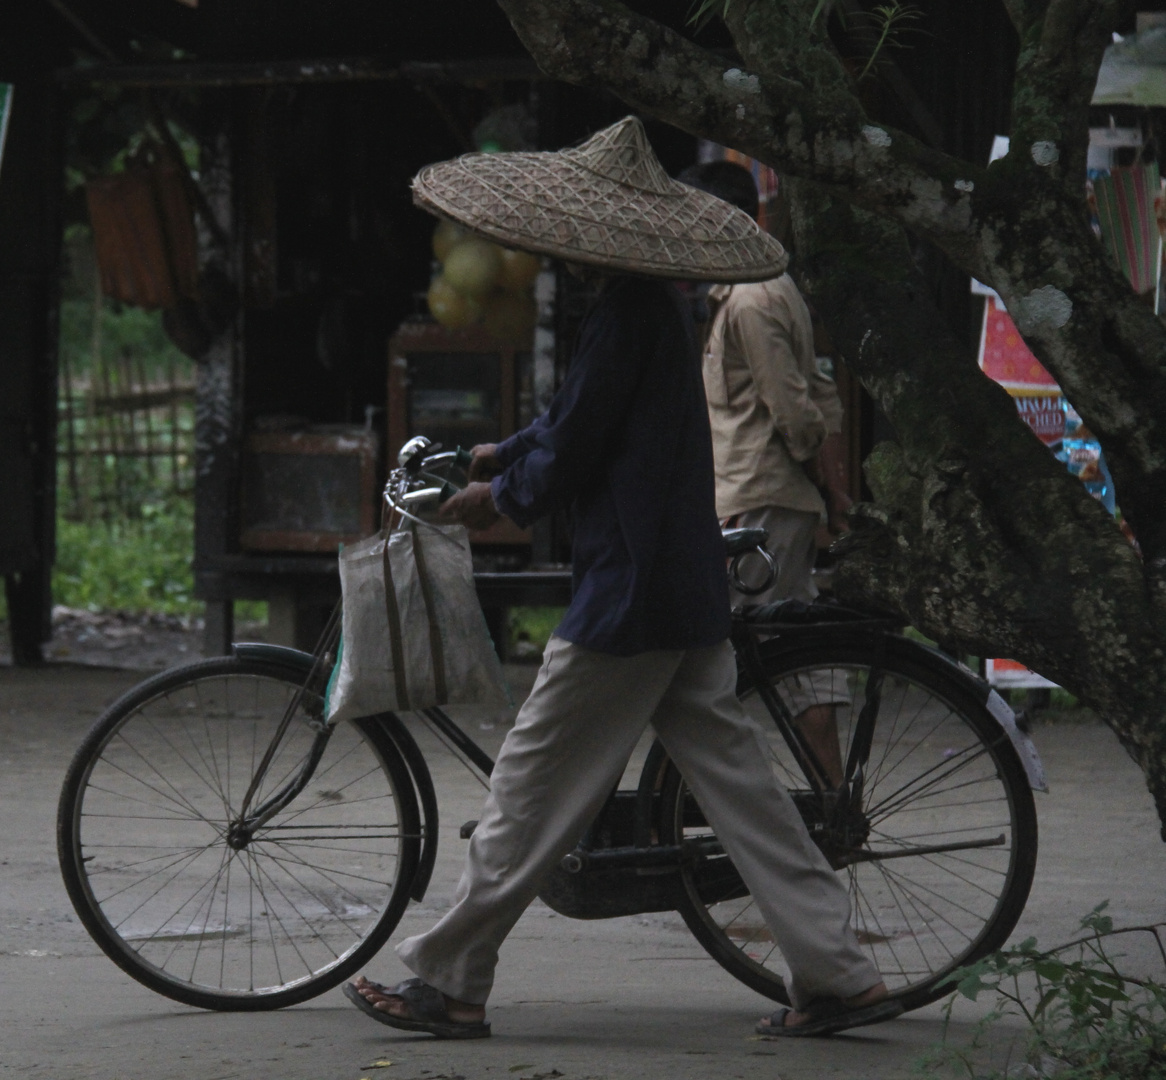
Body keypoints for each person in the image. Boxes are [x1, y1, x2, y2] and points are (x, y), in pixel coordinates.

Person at [343, 117, 899, 1041]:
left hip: (633, 594)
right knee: (743, 793)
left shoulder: (627, 315)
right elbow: (571, 424)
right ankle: (836, 972)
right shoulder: (650, 310)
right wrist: (499, 454)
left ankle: (448, 979)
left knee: (530, 784)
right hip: (677, 587)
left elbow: (574, 443)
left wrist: (500, 491)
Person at [681, 161, 853, 787]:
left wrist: (828, 490)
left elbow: (797, 414)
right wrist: (833, 495)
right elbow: (820, 399)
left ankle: (785, 805)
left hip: (759, 506)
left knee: (707, 667)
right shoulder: (765, 289)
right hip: (771, 504)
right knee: (794, 657)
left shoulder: (751, 300)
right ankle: (830, 798)